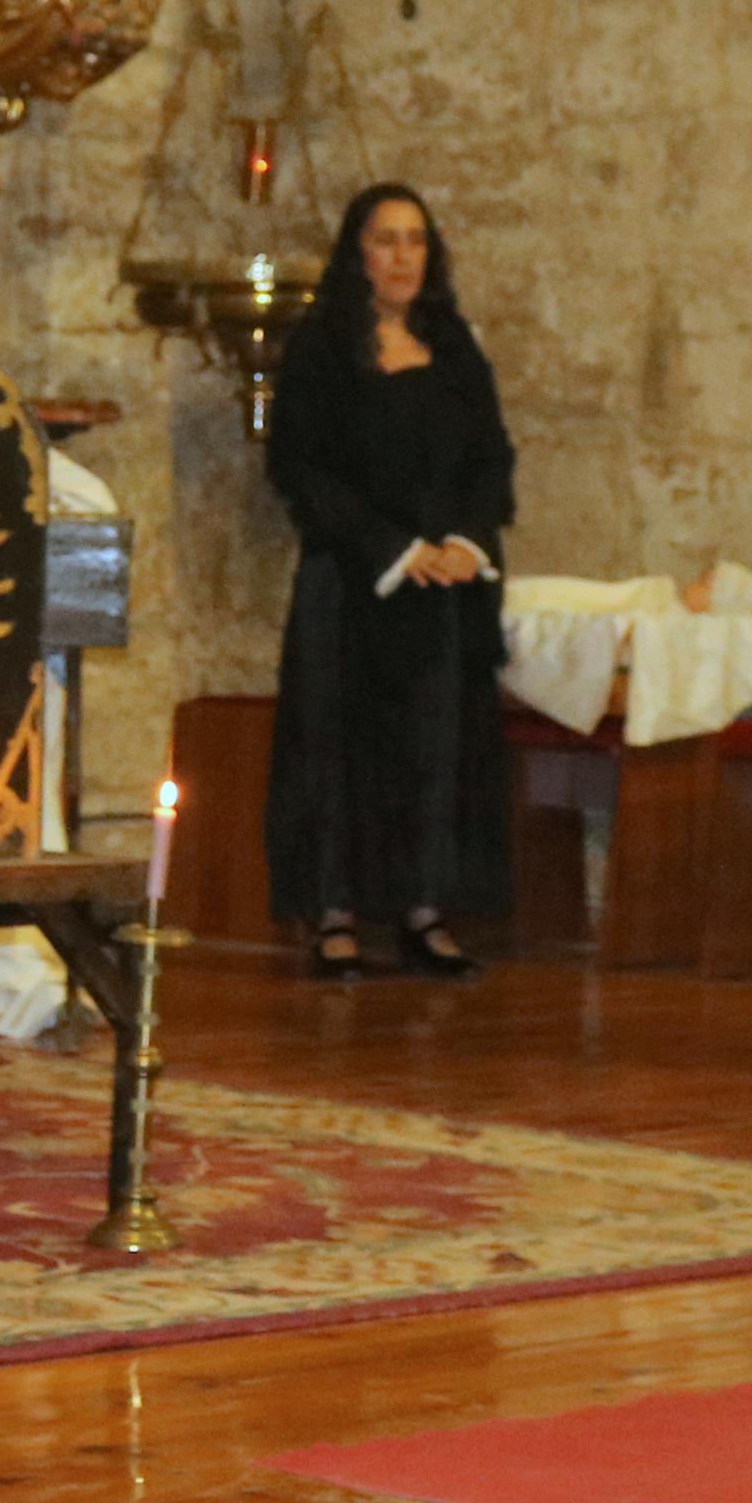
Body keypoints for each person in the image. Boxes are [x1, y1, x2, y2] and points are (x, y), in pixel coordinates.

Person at [263, 183, 517, 979]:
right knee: (338, 747)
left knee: (435, 748)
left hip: (443, 589)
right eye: (386, 240)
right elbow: (300, 468)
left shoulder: (455, 348)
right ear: (356, 252)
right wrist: (398, 548)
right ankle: (334, 915)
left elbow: (490, 460)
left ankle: (423, 909)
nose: (402, 256)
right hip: (353, 583)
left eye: (415, 240)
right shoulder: (320, 349)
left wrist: (464, 543)